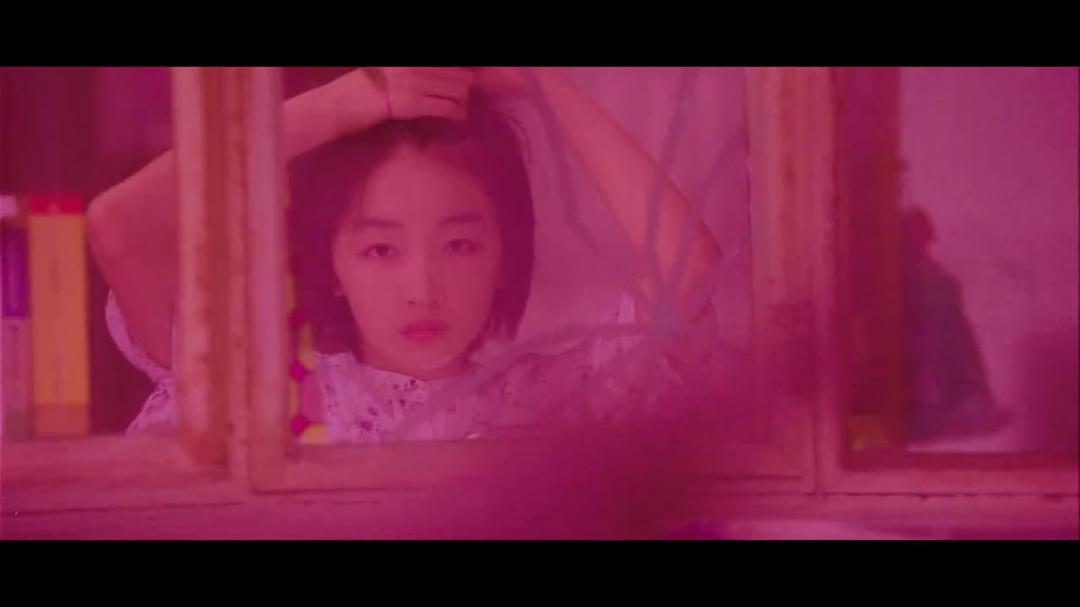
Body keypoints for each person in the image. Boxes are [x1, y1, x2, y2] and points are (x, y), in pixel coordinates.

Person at [87, 67, 723, 443]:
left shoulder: (554, 402)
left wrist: (547, 85)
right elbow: (120, 224)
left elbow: (689, 271)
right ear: (332, 264)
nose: (422, 288)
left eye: (459, 245)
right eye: (380, 249)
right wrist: (349, 100)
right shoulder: (260, 393)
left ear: (505, 257)